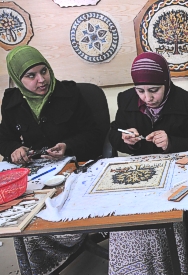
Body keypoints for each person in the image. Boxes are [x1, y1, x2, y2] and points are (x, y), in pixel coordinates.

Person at [0, 45, 103, 275]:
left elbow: (94, 136)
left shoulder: (70, 93)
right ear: (18, 78)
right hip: (38, 174)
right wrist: (14, 150)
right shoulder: (11, 102)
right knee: (24, 217)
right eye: (31, 76)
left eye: (43, 71)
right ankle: (42, 266)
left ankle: (71, 244)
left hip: (74, 169)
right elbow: (4, 138)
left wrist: (68, 146)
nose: (41, 80)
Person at [108, 52, 188, 274]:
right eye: (140, 91)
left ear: (166, 82)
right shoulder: (125, 99)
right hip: (144, 172)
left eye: (154, 90)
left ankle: (175, 261)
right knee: (132, 218)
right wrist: (127, 141)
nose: (147, 98)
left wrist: (171, 143)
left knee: (169, 217)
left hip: (179, 172)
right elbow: (114, 133)